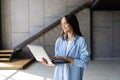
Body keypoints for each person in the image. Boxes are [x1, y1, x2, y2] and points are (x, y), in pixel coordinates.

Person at [41, 14, 90, 80]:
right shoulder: (59, 41)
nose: (63, 26)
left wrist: (67, 58)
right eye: (62, 24)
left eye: (65, 23)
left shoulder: (81, 41)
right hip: (59, 77)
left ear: (72, 23)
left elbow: (84, 63)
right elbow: (57, 61)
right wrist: (48, 62)